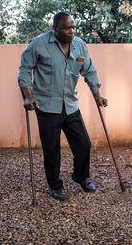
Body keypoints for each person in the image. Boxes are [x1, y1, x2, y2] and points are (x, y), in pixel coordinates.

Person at [18, 12, 108, 200]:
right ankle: (55, 184)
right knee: (52, 149)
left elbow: (89, 71)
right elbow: (25, 69)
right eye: (66, 28)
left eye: (73, 27)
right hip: (47, 106)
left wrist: (97, 95)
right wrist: (28, 96)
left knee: (83, 144)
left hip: (71, 105)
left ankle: (81, 176)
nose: (71, 31)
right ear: (55, 29)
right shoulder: (39, 44)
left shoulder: (79, 45)